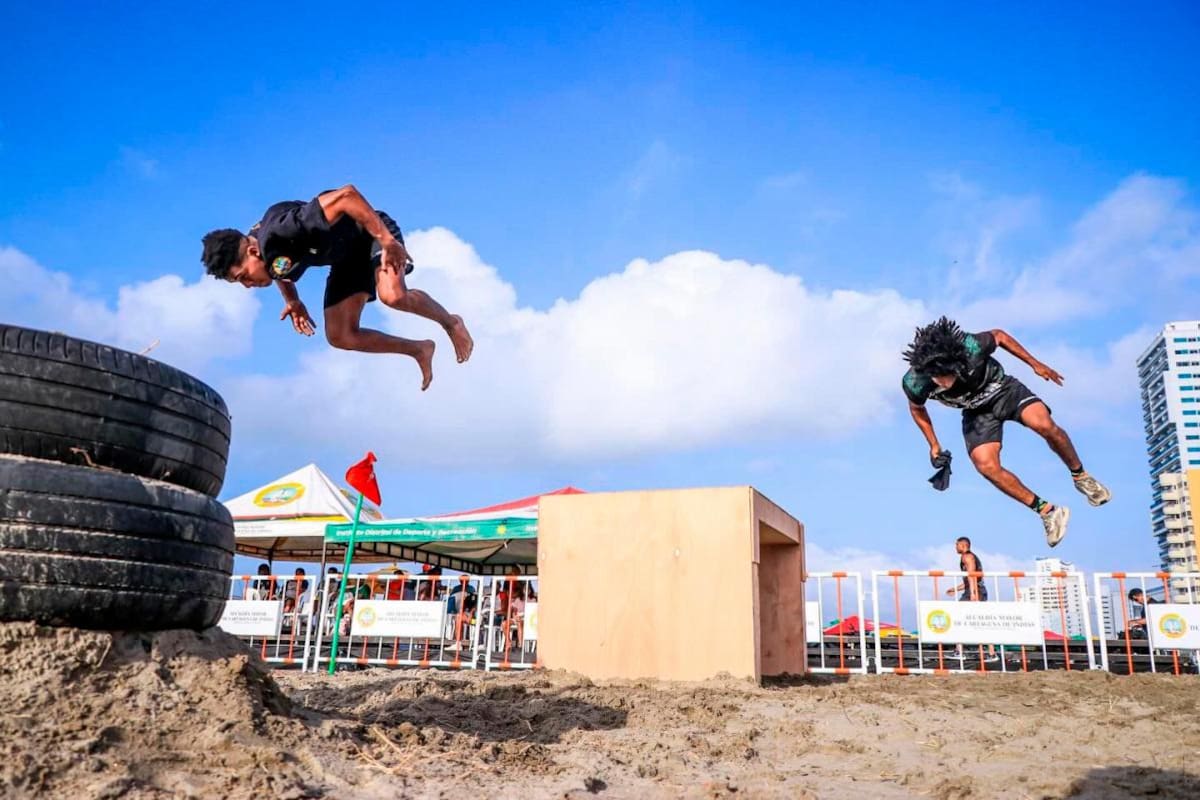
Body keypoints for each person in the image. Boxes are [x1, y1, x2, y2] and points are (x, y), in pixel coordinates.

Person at [201, 184, 474, 390]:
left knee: (393, 296)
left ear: (252, 250)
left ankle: (451, 323)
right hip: (345, 258)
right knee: (340, 335)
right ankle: (419, 349)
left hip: (370, 234)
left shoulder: (283, 229)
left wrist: (388, 241)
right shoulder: (266, 255)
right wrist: (293, 300)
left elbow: (347, 195)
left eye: (243, 277)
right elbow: (278, 271)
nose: (248, 286)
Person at [903, 317, 1111, 547]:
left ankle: (1081, 476)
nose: (942, 384)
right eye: (936, 380)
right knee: (986, 465)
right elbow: (917, 409)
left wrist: (1034, 363)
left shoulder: (970, 346)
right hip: (976, 412)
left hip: (1004, 391)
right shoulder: (915, 380)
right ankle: (1048, 512)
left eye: (946, 377)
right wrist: (933, 444)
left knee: (1043, 424)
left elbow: (1000, 336)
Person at [945, 536, 996, 661]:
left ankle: (959, 651)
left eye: (956, 545)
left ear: (963, 545)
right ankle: (991, 653)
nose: (955, 547)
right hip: (974, 590)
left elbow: (972, 577)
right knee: (980, 622)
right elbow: (969, 580)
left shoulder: (967, 557)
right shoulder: (968, 557)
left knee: (958, 617)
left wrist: (973, 594)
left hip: (975, 592)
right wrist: (956, 589)